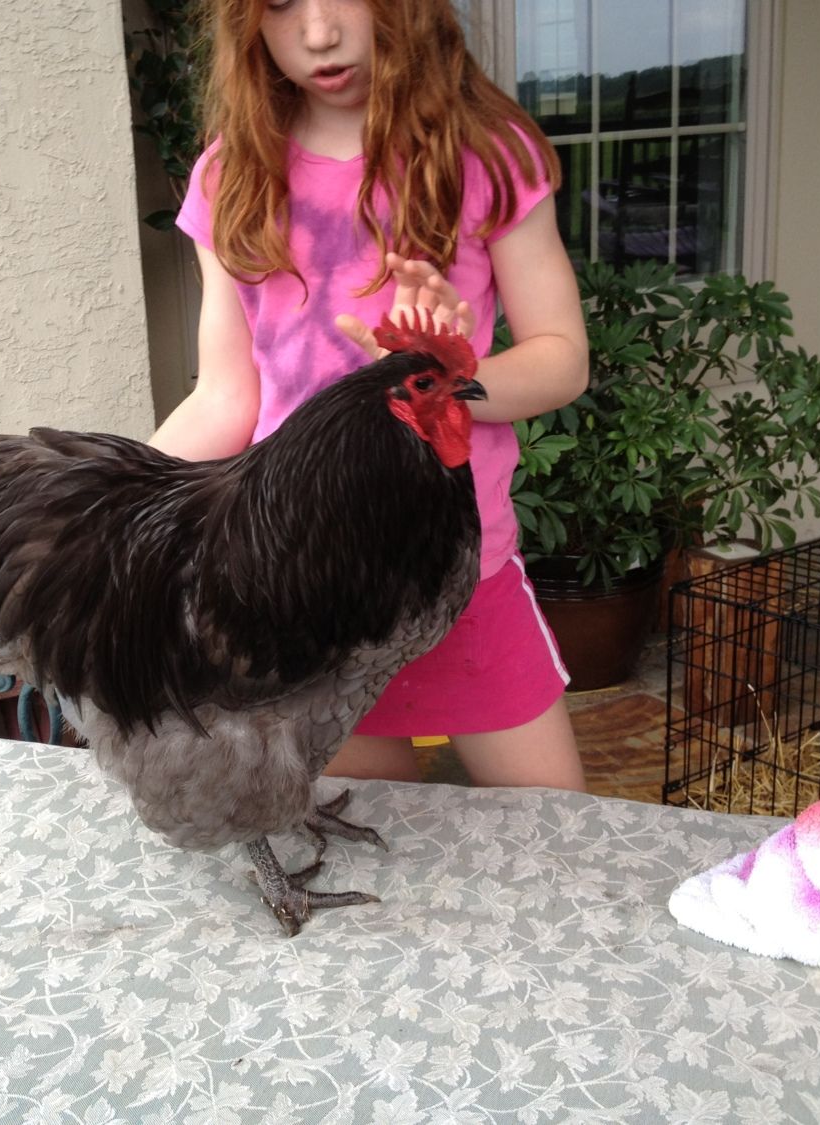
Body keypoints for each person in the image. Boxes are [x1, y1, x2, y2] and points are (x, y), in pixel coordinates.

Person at [151, 0, 589, 790]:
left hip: (463, 578)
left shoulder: (487, 154)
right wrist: (100, 513)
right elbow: (224, 398)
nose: (318, 32)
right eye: (281, 4)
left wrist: (443, 377)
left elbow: (562, 359)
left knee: (556, 827)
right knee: (371, 831)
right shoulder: (231, 176)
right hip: (309, 598)